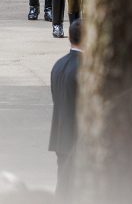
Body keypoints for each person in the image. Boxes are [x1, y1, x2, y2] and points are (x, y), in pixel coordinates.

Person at [49, 18, 83, 202]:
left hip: (61, 134)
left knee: (63, 184)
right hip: (77, 137)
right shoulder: (85, 67)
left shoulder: (58, 65)